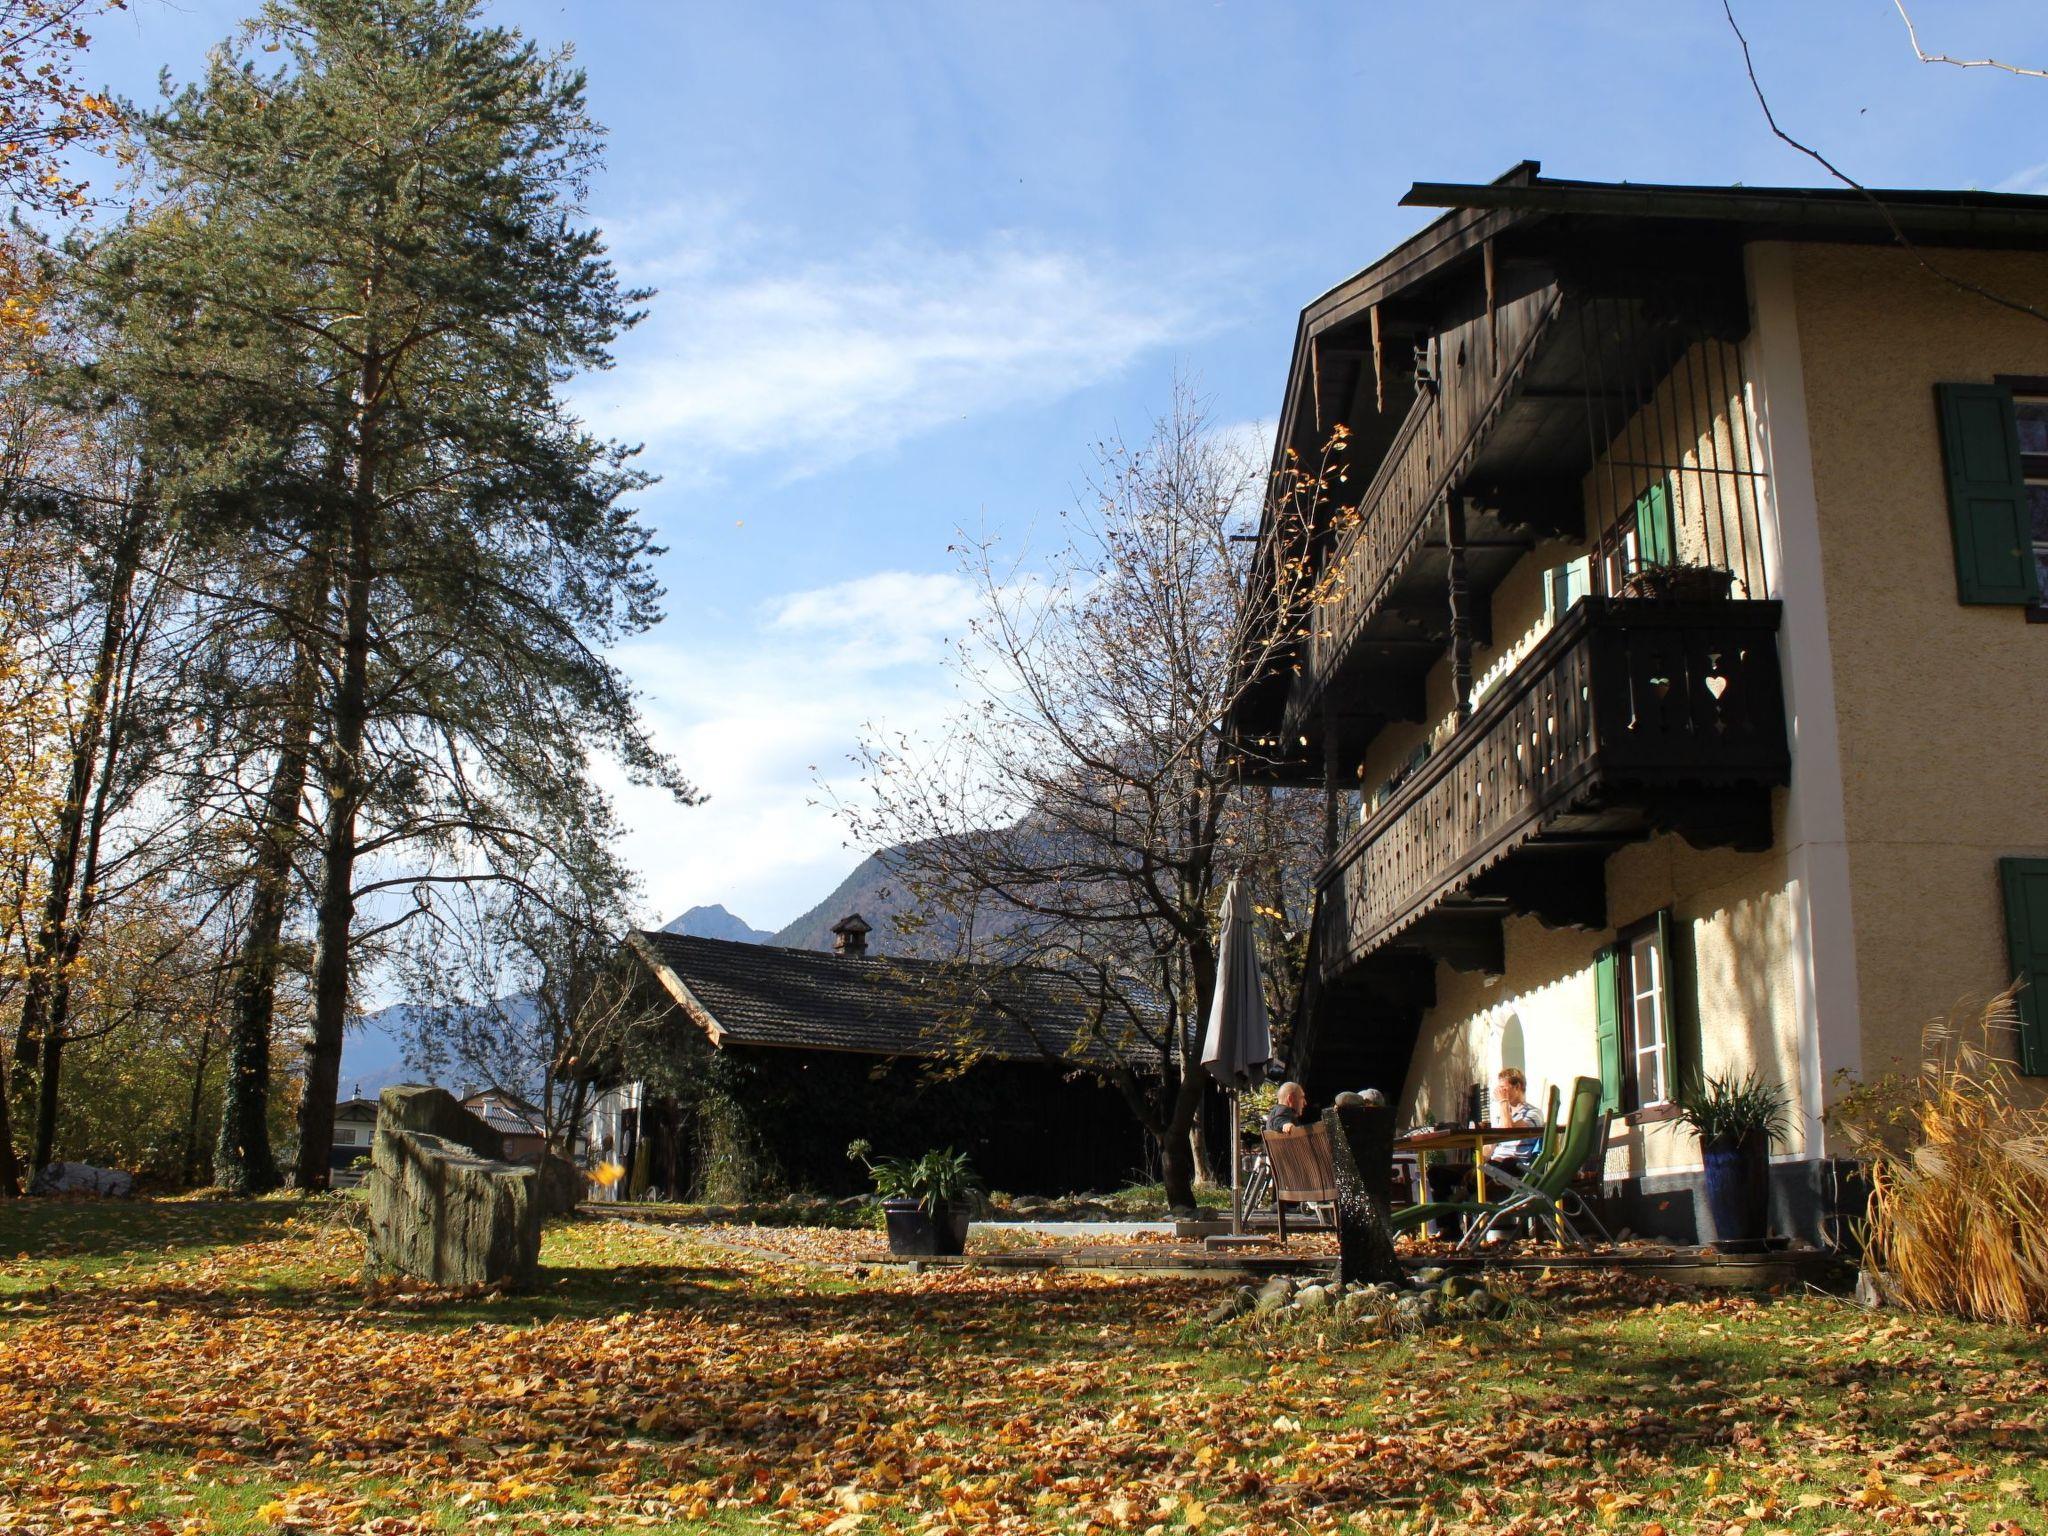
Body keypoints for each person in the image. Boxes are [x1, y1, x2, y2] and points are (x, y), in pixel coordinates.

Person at [1424, 1067, 1543, 1239]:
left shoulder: (1533, 1113)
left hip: (1512, 1168)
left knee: (1490, 1167)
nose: (1499, 1093)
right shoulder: (1503, 1115)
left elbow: (1508, 1129)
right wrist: (1484, 1143)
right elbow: (1489, 1150)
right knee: (1437, 1172)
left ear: (1517, 1086)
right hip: (1491, 1167)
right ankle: (1450, 1229)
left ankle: (1457, 1199)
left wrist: (1503, 1102)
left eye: (1503, 1088)